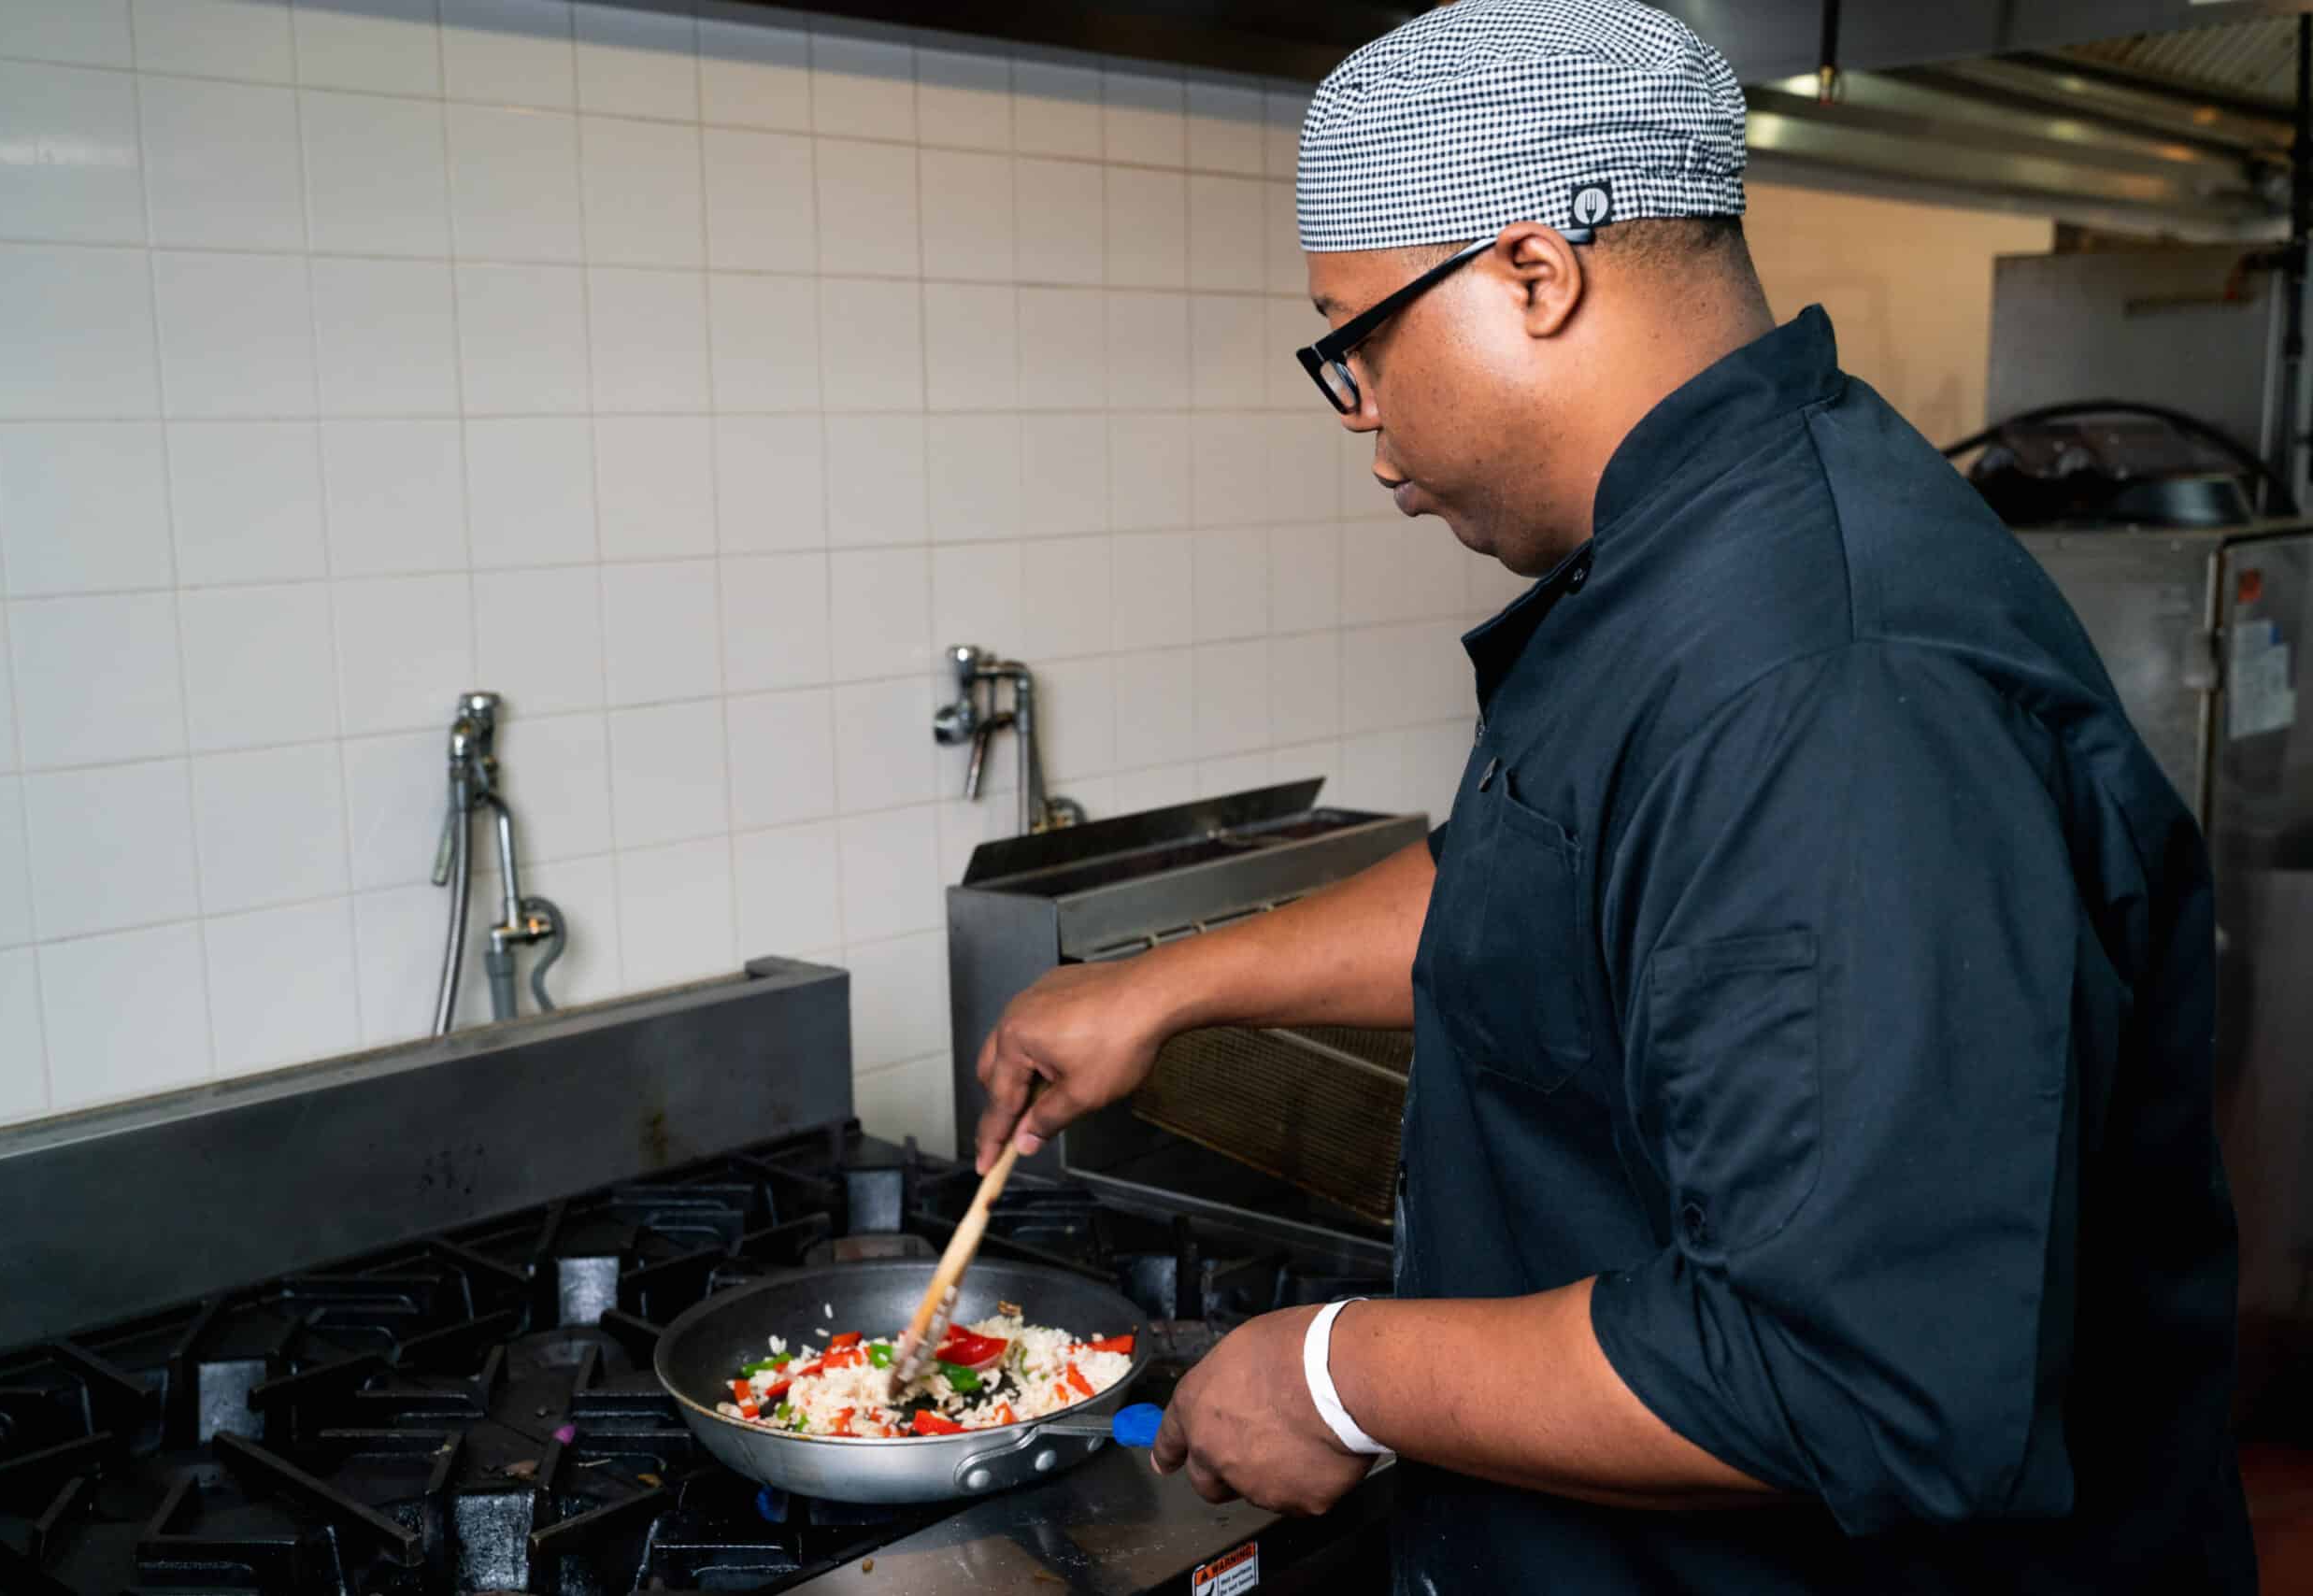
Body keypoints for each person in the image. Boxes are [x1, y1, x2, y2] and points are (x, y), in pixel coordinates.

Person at [967, 1, 2256, 1590]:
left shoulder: (1834, 683)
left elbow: (1844, 1377)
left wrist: (1332, 1374)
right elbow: (1550, 874)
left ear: (1533, 272)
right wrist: (1170, 987)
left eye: (1357, 337)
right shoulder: (1692, 549)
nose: (1360, 416)